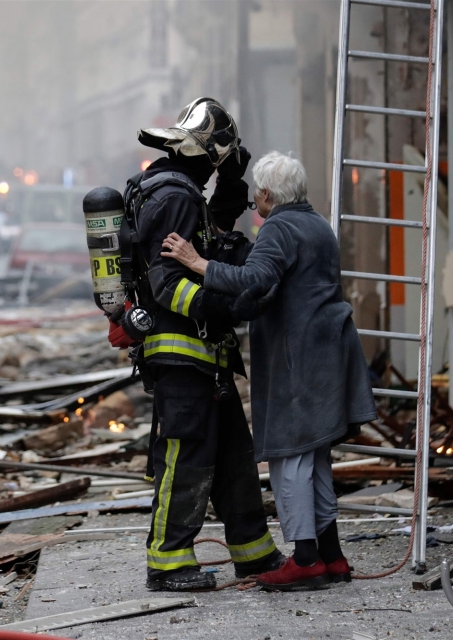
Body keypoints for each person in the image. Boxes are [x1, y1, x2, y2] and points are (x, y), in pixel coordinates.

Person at [161, 151, 377, 591]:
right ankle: (332, 557)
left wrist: (195, 262)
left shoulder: (279, 226)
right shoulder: (316, 223)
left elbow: (254, 279)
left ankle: (305, 559)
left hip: (299, 359)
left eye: (255, 193)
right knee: (315, 457)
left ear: (264, 193)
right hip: (327, 352)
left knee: (289, 458)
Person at [128, 97, 284, 592]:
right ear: (207, 154)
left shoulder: (177, 190)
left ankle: (254, 553)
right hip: (181, 353)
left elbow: (213, 236)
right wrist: (223, 307)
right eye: (221, 161)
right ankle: (168, 560)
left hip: (205, 356)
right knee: (185, 455)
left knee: (235, 454)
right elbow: (166, 283)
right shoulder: (175, 195)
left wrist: (233, 189)